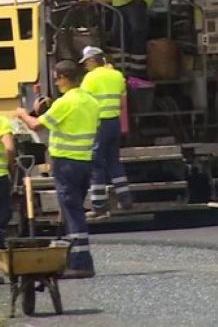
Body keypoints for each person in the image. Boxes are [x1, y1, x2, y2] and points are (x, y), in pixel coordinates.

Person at [17, 60, 100, 279]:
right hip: (85, 162)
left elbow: (36, 125)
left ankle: (81, 263)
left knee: (72, 212)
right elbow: (73, 121)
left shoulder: (65, 103)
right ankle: (69, 256)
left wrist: (22, 114)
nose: (55, 81)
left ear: (63, 77)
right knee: (73, 209)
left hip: (66, 163)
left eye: (56, 77)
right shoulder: (90, 101)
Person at [79, 46, 133, 219]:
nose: (85, 66)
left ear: (92, 60)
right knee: (114, 161)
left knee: (96, 164)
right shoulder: (117, 76)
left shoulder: (89, 78)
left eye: (86, 62)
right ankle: (126, 199)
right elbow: (122, 101)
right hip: (114, 123)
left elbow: (83, 104)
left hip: (98, 124)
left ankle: (98, 206)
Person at [0, 114, 14, 249]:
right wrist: (12, 168)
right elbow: (9, 148)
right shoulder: (2, 121)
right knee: (4, 212)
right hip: (0, 175)